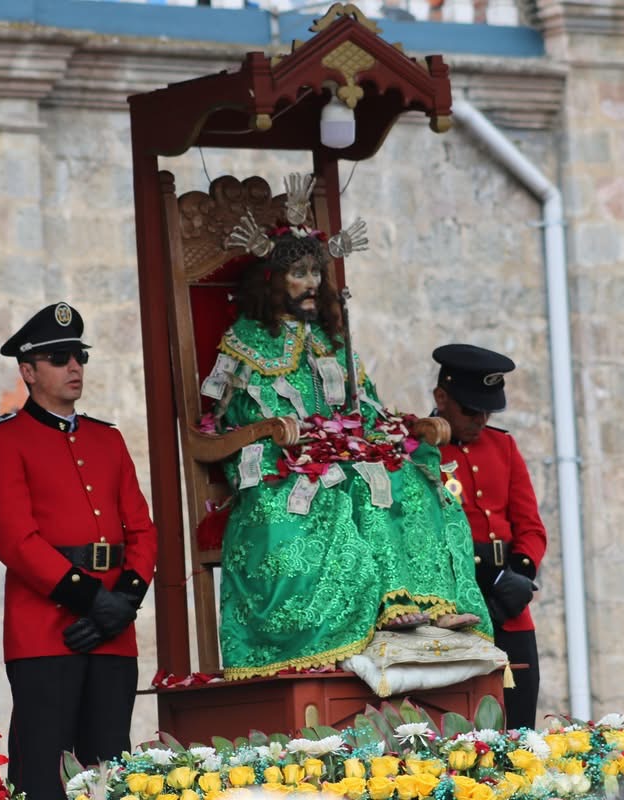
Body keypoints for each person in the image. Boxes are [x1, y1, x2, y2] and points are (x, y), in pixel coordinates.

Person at [205, 179, 490, 681]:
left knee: (413, 477)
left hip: (344, 450)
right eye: (298, 273)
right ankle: (384, 605)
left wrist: (405, 428)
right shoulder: (243, 343)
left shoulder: (333, 341)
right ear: (273, 280)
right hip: (279, 463)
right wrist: (274, 430)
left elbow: (369, 407)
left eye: (316, 272)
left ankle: (427, 597)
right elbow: (220, 417)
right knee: (337, 490)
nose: (312, 283)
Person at [0, 302, 157, 800]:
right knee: (45, 777)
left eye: (79, 356)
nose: (74, 366)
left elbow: (142, 530)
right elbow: (15, 540)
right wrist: (95, 602)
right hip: (46, 632)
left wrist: (123, 604)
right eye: (59, 358)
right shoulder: (0, 441)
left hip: (114, 629)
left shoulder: (107, 439)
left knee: (109, 772)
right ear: (28, 371)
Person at [432, 344, 547, 729]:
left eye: (488, 410)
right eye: (470, 409)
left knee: (519, 728)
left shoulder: (503, 446)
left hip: (510, 605)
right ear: (441, 398)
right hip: (453, 605)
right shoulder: (419, 448)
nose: (480, 420)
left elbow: (530, 526)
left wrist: (519, 575)